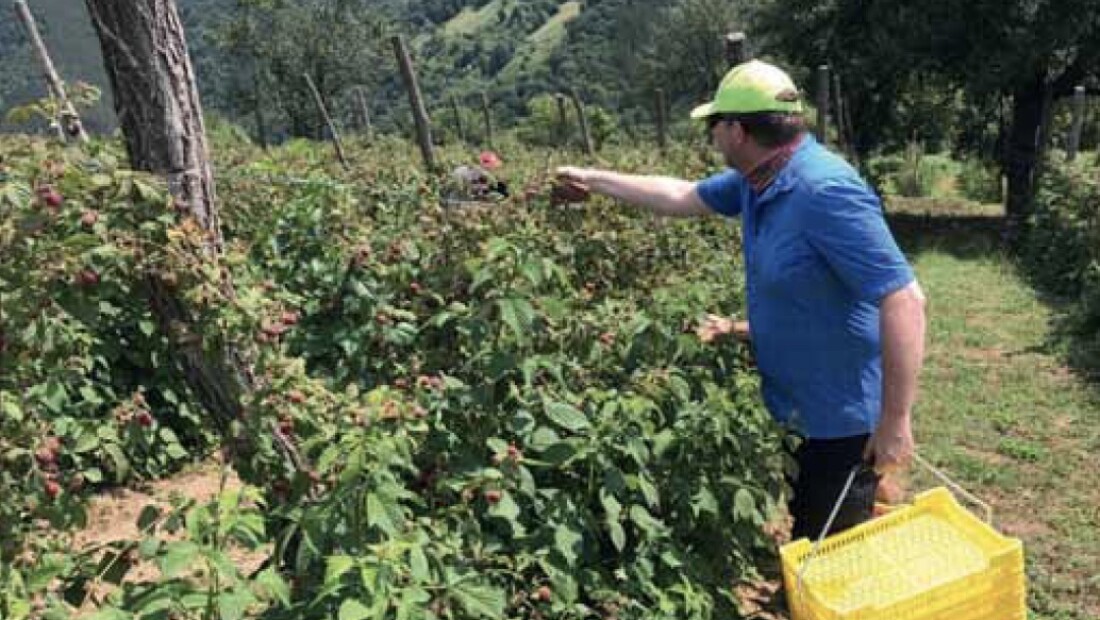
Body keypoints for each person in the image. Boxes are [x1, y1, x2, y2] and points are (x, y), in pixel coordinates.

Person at [554, 60, 926, 540]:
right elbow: (680, 196)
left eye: (714, 126)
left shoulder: (824, 190)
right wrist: (591, 178)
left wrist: (895, 419)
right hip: (798, 405)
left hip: (841, 418)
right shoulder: (759, 180)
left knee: (829, 549)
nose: (710, 137)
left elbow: (905, 298)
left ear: (736, 130)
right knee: (812, 522)